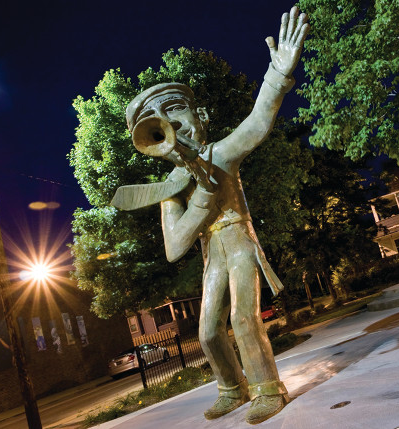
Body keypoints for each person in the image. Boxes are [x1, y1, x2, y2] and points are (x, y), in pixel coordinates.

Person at [123, 7, 308, 425]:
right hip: (213, 254)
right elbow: (175, 249)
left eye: (177, 112)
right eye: (160, 123)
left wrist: (277, 75)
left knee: (244, 319)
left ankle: (267, 389)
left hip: (239, 242)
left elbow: (259, 122)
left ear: (201, 117)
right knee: (208, 332)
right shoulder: (170, 188)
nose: (172, 126)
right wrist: (201, 198)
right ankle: (231, 387)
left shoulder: (220, 154)